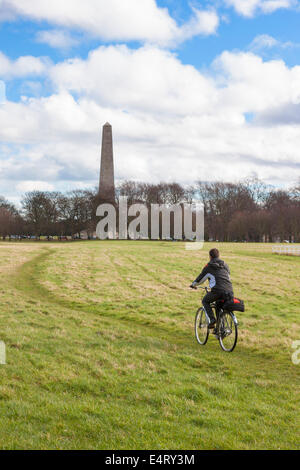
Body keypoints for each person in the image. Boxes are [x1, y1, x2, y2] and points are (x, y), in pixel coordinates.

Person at [190, 248, 234, 328]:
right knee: (218, 305)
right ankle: (220, 329)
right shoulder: (225, 265)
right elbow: (228, 276)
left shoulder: (209, 266)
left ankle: (212, 320)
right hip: (229, 291)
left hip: (217, 291)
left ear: (210, 256)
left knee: (205, 301)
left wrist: (193, 285)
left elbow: (200, 279)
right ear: (219, 255)